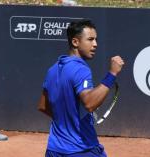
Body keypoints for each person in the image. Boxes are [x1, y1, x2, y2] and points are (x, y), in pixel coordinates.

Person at [38, 19, 124, 157]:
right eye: (90, 39)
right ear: (75, 42)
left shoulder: (52, 70)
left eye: (96, 39)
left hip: (54, 150)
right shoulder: (80, 69)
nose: (95, 44)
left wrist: (68, 120)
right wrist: (112, 74)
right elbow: (89, 103)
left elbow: (43, 106)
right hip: (81, 149)